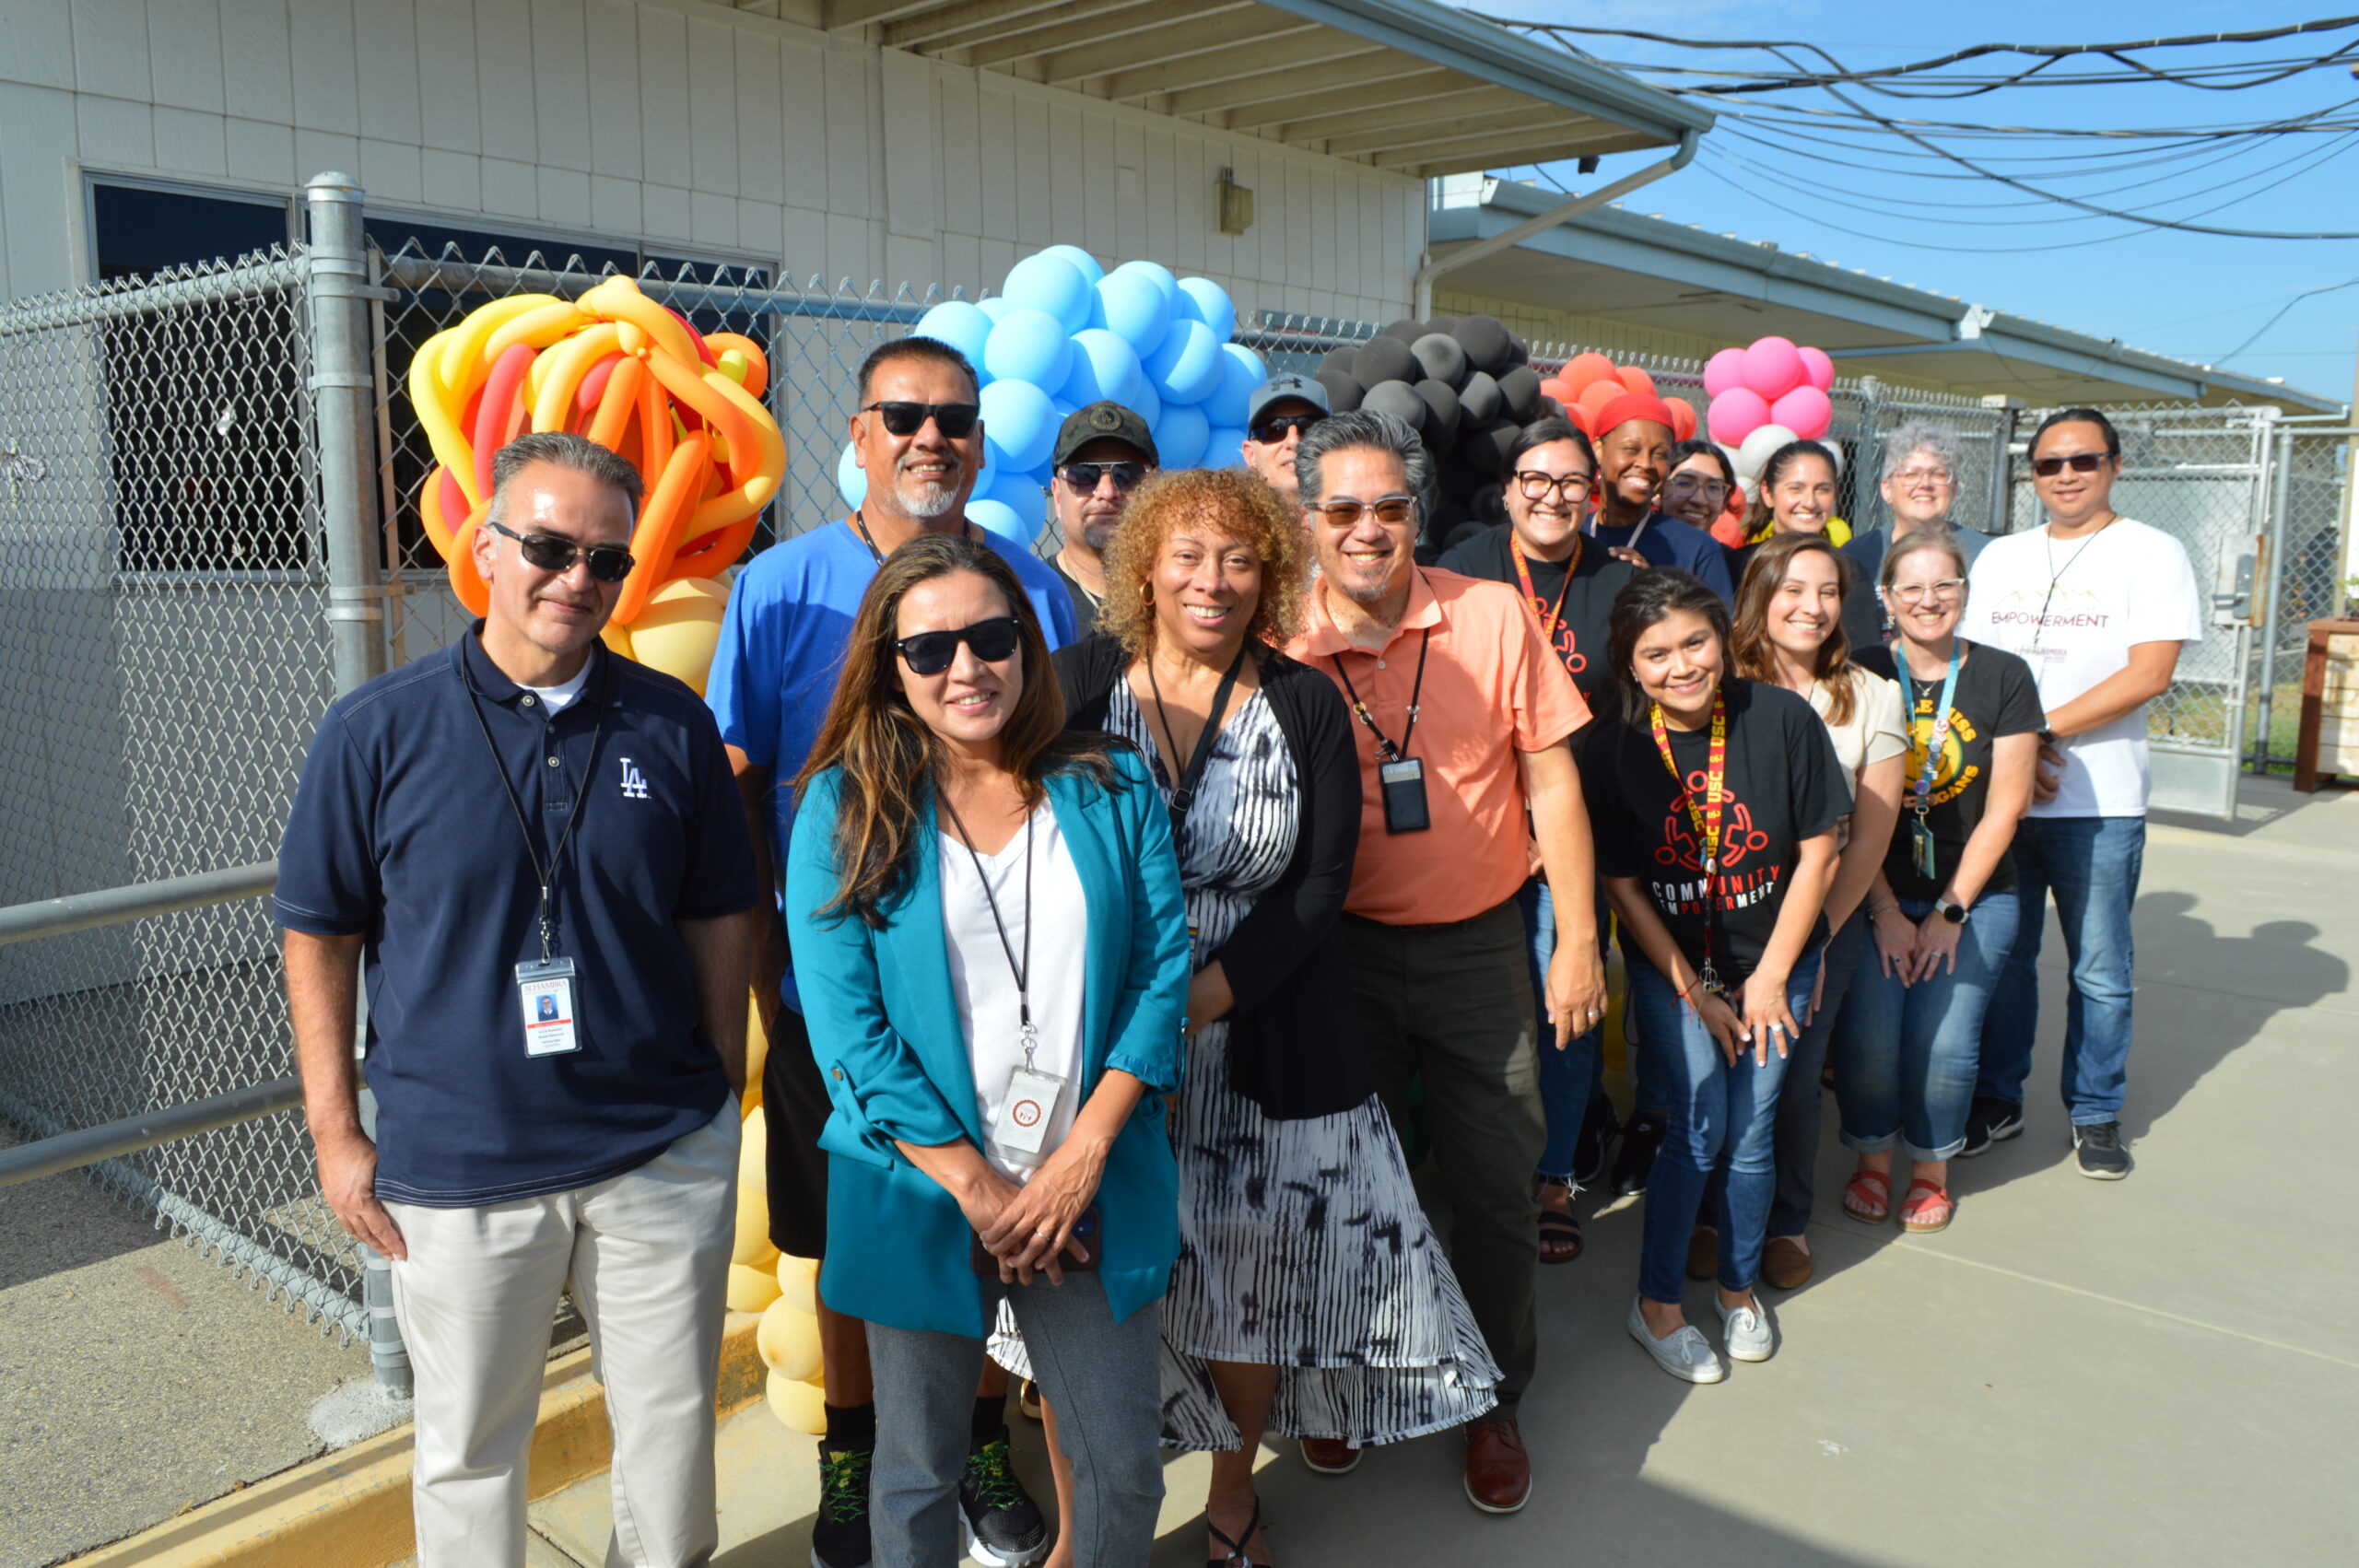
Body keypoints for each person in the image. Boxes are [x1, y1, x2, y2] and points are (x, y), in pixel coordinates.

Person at [276, 433, 757, 1567]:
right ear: (486, 549)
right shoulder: (376, 730)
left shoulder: (668, 723)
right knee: (469, 1446)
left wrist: (716, 1088)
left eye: (605, 560)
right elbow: (317, 931)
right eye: (547, 547)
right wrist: (335, 1128)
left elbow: (720, 910)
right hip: (463, 1165)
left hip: (655, 1152)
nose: (575, 579)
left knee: (671, 1430)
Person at [1052, 467, 1497, 1567]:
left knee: (1244, 1284)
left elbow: (1316, 886)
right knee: (1085, 1291)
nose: (1213, 580)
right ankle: (1086, 1525)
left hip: (1256, 1038)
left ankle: (1231, 1494)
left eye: (1240, 559)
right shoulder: (1073, 683)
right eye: (1190, 556)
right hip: (1093, 1043)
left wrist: (1191, 1007)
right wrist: (1128, 1022)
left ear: (1272, 577)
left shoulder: (1301, 699)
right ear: (1145, 566)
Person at [707, 333, 1075, 1568]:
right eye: (903, 413)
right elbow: (735, 783)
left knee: (991, 1229)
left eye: (955, 418)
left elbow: (1065, 767)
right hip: (839, 1006)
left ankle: (978, 1442)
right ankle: (852, 1452)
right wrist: (753, 978)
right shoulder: (781, 588)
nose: (932, 436)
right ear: (855, 436)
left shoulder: (1026, 585)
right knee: (856, 1252)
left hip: (1006, 1003)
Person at [787, 533, 1191, 1568]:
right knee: (917, 1470)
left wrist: (1080, 1158)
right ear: (891, 668)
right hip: (922, 1188)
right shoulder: (843, 805)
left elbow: (1159, 975)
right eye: (929, 650)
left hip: (1084, 1188)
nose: (965, 667)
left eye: (989, 635)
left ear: (1027, 641)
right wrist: (981, 1190)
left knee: (1122, 1468)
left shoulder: (1109, 785)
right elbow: (849, 1033)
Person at [1283, 409, 1607, 1514]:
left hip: (1478, 949)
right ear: (1307, 519)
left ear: (1417, 513)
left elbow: (1552, 782)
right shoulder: (1274, 632)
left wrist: (1573, 942)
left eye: (1389, 507)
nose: (1368, 530)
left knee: (1491, 1186)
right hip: (1332, 957)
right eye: (1343, 510)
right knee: (1339, 1189)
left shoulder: (1493, 615)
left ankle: (1490, 1394)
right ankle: (1343, 1376)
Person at [1579, 568, 1841, 1384]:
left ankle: (1736, 1292)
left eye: (1695, 641)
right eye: (1655, 654)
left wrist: (1769, 981)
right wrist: (1693, 987)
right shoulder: (1611, 745)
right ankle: (1657, 1306)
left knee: (1754, 1130)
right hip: (1675, 970)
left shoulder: (1783, 719)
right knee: (1696, 1129)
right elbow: (1622, 883)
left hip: (1776, 964)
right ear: (1629, 664)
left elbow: (1820, 851)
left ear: (1724, 639)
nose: (1681, 665)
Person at [1959, 408, 2201, 1178]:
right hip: (2002, 797)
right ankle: (1998, 1100)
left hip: (2097, 803)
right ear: (2030, 475)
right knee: (2004, 957)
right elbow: (1970, 662)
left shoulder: (2153, 554)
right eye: (2048, 464)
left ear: (2116, 467)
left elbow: (2148, 675)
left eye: (2083, 461)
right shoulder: (2000, 557)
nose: (2065, 475)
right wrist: (2005, 753)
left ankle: (2094, 1112)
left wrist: (2036, 735)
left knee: (2099, 966)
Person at [1438, 417, 1637, 1259]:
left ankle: (1554, 1175)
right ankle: (1475, 1168)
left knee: (1569, 1004)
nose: (1553, 497)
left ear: (1592, 495)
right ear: (1510, 488)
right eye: (1537, 480)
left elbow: (1631, 721)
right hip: (1472, 828)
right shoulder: (1457, 570)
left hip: (1568, 833)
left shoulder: (1619, 587)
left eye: (1571, 483)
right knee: (1478, 1011)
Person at [1689, 532, 1905, 1290]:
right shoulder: (1712, 682)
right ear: (1760, 596)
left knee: (1789, 1080)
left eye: (1828, 592)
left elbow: (1871, 838)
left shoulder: (1872, 694)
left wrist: (1811, 943)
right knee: (1708, 1078)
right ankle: (1710, 1216)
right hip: (1716, 922)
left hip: (1821, 925)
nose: (1811, 608)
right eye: (1794, 590)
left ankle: (1784, 1220)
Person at [1837, 532, 2043, 1231]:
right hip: (1874, 888)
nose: (1929, 601)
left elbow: (2007, 808)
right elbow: (1844, 805)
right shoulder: (1861, 669)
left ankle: (1930, 1169)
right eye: (1912, 588)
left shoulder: (2004, 676)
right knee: (1870, 1042)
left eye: (1945, 585)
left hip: (1977, 893)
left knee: (1944, 1044)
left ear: (1965, 591)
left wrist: (1950, 911)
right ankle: (1872, 1160)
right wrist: (1885, 908)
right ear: (1886, 598)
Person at [1839, 422, 1988, 650]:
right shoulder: (1856, 556)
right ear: (1887, 489)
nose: (1925, 484)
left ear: (1954, 488)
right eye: (1911, 474)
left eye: (1939, 473)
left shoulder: (1987, 556)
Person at [1583, 394, 1736, 603]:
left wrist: (1657, 592)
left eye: (1660, 454)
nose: (1646, 463)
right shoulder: (1570, 532)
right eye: (1631, 449)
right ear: (1599, 450)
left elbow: (1717, 632)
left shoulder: (1697, 549)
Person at [1043, 401, 1158, 635]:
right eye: (1084, 475)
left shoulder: (1185, 594)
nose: (1107, 492)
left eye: (1128, 474)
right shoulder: (1031, 598)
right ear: (1057, 495)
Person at [1730, 439, 1849, 586]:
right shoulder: (1739, 568)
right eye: (1796, 489)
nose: (1810, 503)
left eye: (1822, 489)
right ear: (1768, 493)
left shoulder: (1849, 572)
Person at [1238, 372, 1330, 505]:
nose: (1294, 441)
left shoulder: (1365, 520)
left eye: (1310, 427)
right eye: (1274, 430)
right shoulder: (1230, 523)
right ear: (1250, 454)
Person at [1658, 439, 1745, 550]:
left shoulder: (1733, 565)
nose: (1699, 500)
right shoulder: (1634, 554)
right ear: (1659, 489)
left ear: (1725, 500)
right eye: (1685, 483)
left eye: (1713, 487)